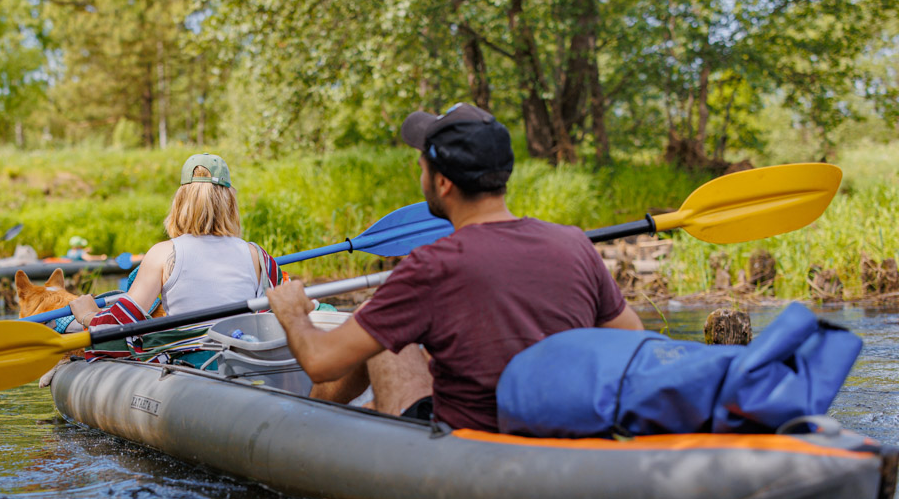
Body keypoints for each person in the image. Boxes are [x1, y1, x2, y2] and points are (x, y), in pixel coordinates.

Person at [266, 104, 643, 432]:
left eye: (422, 168)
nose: (421, 176)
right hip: (562, 432)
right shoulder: (574, 243)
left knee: (371, 321)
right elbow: (632, 338)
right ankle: (354, 412)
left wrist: (293, 310)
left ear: (443, 182)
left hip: (464, 449)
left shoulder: (432, 266)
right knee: (375, 318)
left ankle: (308, 428)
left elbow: (319, 362)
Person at [68, 153, 283, 350]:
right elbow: (280, 316)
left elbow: (120, 323)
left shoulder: (162, 254)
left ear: (180, 203)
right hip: (244, 358)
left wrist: (88, 315)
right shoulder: (258, 256)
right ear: (230, 203)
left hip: (191, 363)